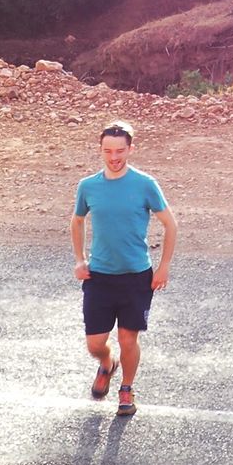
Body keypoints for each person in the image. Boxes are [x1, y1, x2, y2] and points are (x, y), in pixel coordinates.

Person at [73, 120, 177, 417]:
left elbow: (170, 224)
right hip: (100, 277)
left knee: (127, 338)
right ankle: (107, 363)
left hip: (136, 277)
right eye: (108, 151)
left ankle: (127, 389)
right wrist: (80, 259)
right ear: (101, 150)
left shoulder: (145, 184)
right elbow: (77, 220)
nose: (114, 157)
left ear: (130, 149)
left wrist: (164, 266)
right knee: (95, 343)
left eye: (120, 151)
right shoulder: (88, 186)